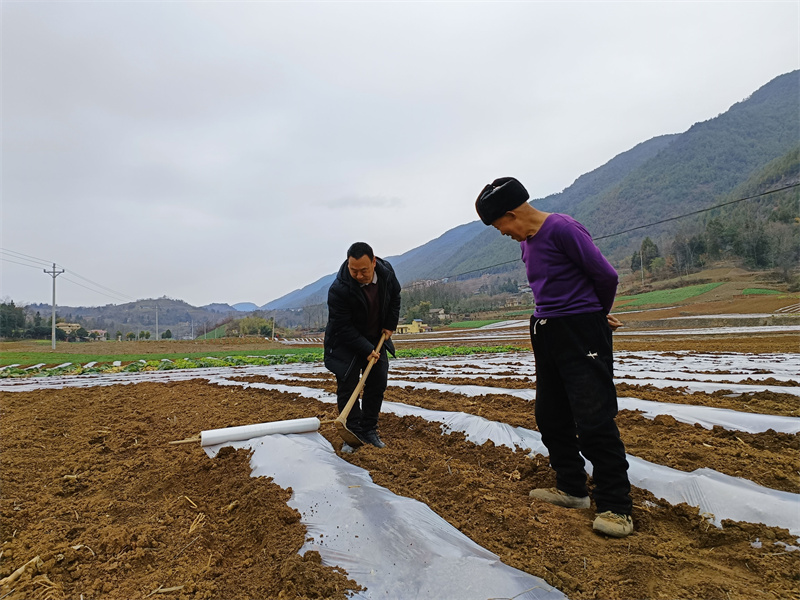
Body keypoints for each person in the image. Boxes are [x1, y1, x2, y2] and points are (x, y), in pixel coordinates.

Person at [474, 177, 633, 538]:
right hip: (546, 330)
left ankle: (616, 506)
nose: (506, 235)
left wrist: (595, 314)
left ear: (513, 214)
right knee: (551, 415)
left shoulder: (563, 228)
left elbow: (606, 275)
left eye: (503, 228)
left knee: (593, 418)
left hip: (580, 330)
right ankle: (572, 488)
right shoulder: (528, 243)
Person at [324, 242, 401, 453]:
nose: (358, 275)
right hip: (346, 343)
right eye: (353, 270)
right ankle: (353, 433)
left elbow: (395, 297)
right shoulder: (339, 289)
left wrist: (390, 325)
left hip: (376, 338)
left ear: (374, 262)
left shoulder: (386, 275)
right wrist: (366, 349)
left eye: (363, 270)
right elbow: (342, 327)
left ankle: (369, 430)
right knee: (348, 387)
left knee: (377, 383)